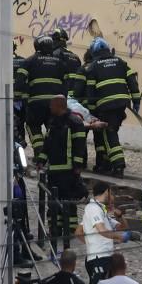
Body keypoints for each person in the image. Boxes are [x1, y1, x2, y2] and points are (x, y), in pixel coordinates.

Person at [37, 95, 88, 251]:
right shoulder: (53, 123)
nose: (50, 108)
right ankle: (56, 229)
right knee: (54, 200)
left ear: (60, 105)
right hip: (54, 170)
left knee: (67, 201)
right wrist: (41, 160)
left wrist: (78, 165)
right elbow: (48, 144)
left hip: (68, 170)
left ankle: (69, 229)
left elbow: (80, 146)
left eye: (52, 105)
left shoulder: (75, 122)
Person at [85, 37, 141, 177]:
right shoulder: (120, 62)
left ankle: (118, 165)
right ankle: (106, 165)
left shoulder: (93, 66)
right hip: (121, 105)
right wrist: (136, 101)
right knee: (109, 133)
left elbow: (90, 91)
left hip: (105, 107)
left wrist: (91, 112)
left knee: (109, 134)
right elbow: (132, 82)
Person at [16, 35, 66, 160]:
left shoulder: (29, 61)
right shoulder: (60, 62)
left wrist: (22, 96)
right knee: (53, 128)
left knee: (33, 126)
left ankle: (39, 153)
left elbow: (19, 82)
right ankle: (53, 154)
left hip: (36, 103)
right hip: (55, 104)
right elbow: (66, 83)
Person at [81, 181, 132, 284]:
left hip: (106, 257)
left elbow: (124, 228)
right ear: (106, 192)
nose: (112, 196)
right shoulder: (93, 208)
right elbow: (101, 230)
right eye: (111, 193)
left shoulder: (101, 211)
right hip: (98, 257)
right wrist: (118, 237)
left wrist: (120, 216)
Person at [51, 27, 83, 97]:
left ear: (55, 40)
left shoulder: (55, 54)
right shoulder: (75, 56)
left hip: (62, 95)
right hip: (75, 96)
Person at [13, 41, 27, 147]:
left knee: (12, 122)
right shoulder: (23, 60)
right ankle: (21, 143)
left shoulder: (0, 59)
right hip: (23, 98)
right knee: (21, 121)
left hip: (8, 97)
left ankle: (16, 142)